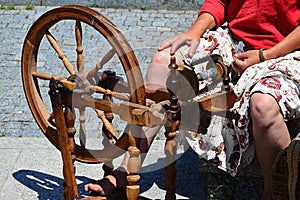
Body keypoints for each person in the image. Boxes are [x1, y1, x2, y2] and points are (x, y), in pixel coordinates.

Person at [85, 0, 300, 199]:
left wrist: (266, 55)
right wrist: (195, 32)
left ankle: (276, 194)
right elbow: (220, 2)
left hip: (287, 51)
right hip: (235, 41)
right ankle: (126, 172)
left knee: (263, 106)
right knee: (162, 61)